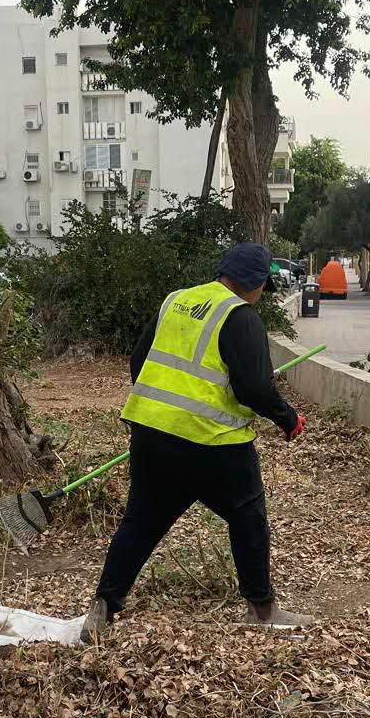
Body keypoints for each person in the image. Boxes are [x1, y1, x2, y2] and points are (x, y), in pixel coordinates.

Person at [82, 243, 312, 643]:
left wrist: (165, 412)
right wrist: (288, 419)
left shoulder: (176, 301)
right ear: (255, 282)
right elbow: (254, 388)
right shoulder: (241, 316)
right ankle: (263, 610)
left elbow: (139, 361)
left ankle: (102, 609)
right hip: (214, 445)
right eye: (263, 287)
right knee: (248, 518)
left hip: (152, 437)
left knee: (140, 524)